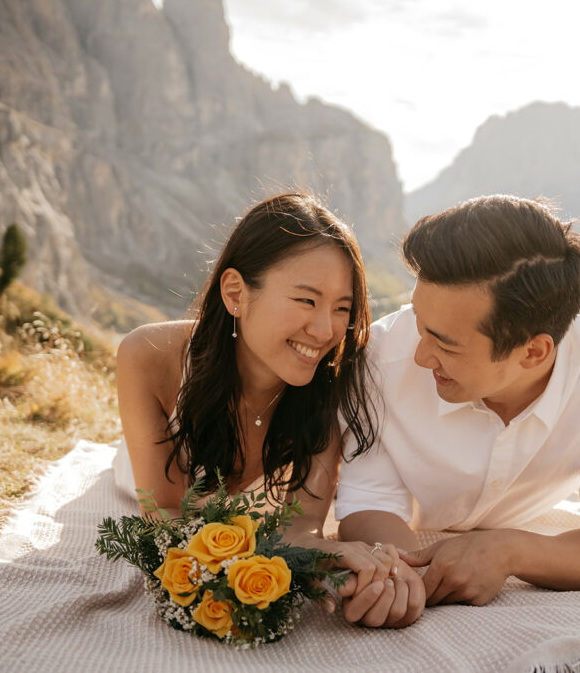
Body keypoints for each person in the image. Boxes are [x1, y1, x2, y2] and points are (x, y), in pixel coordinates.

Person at [336, 194, 580, 626]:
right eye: (420, 325)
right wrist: (396, 572)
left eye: (445, 344)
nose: (421, 356)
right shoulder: (380, 361)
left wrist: (509, 549)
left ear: (534, 352)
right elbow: (369, 500)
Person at [115, 192, 398, 621]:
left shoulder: (329, 391)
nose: (325, 330)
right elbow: (166, 513)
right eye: (306, 300)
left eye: (342, 308)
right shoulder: (149, 356)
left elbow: (301, 526)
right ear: (236, 294)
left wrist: (331, 560)